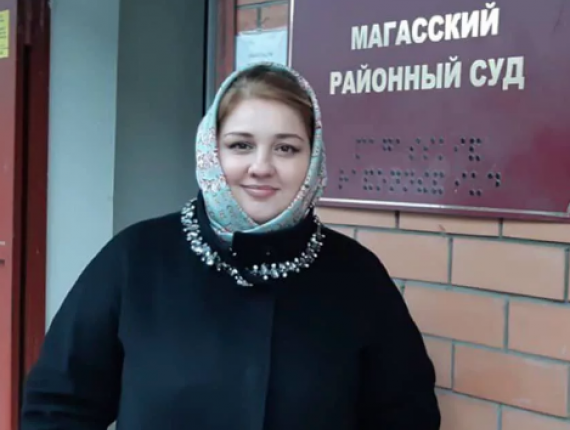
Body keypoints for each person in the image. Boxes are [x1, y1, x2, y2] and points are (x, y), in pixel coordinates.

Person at [20, 62, 441, 429]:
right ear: (212, 151)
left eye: (286, 148)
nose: (261, 167)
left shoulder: (356, 275)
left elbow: (405, 415)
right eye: (241, 145)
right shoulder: (136, 260)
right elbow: (60, 405)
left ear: (312, 160)